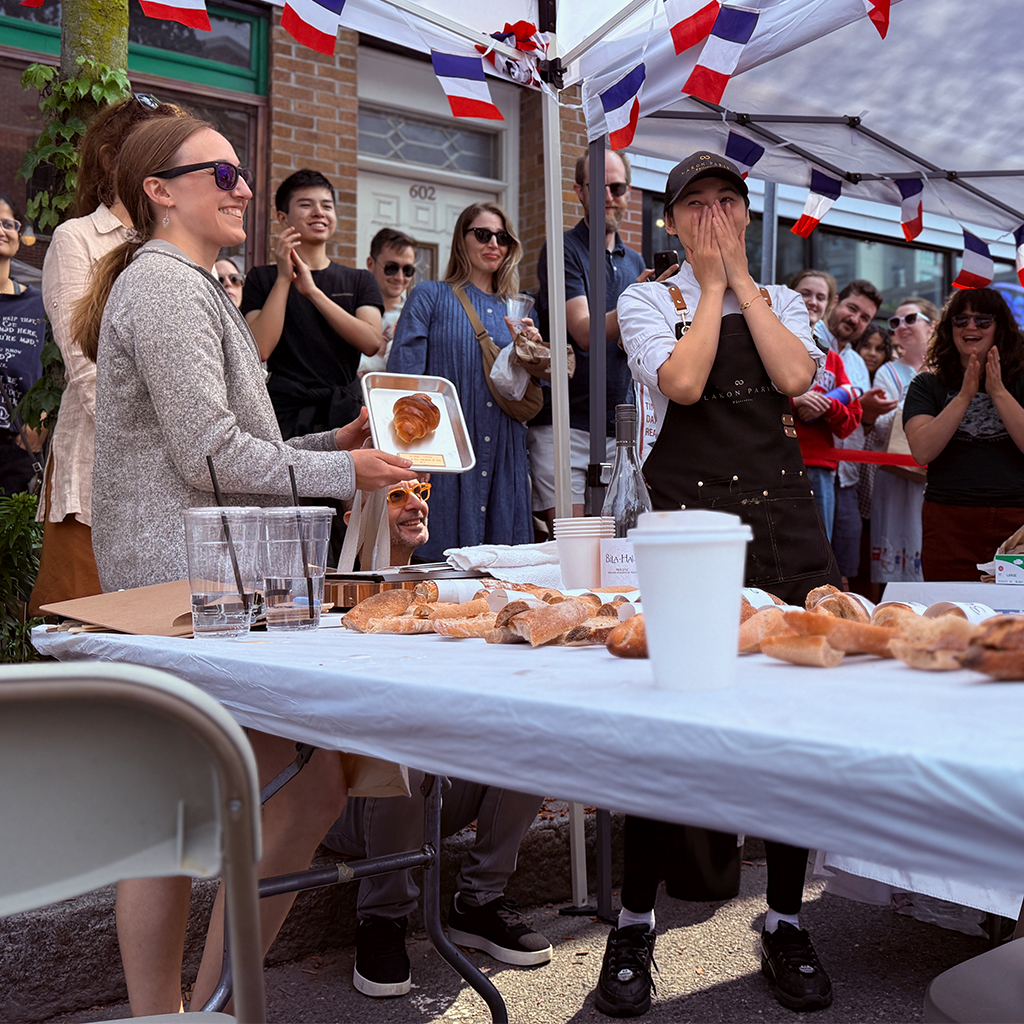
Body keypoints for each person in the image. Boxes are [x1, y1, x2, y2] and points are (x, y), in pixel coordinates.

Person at [78, 114, 413, 1015]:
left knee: (281, 796)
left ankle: (207, 1009)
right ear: (160, 190)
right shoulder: (165, 285)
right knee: (217, 812)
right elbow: (212, 457)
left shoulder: (185, 286)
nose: (242, 187)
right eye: (221, 173)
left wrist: (333, 441)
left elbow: (224, 455)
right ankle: (185, 1014)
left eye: (240, 172)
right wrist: (344, 471)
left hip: (212, 588)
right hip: (184, 596)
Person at [601, 152, 839, 1018]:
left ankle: (785, 919)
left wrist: (741, 283)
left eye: (725, 201)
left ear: (745, 214)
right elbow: (683, 381)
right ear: (669, 222)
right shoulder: (644, 300)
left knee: (792, 731)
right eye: (693, 203)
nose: (710, 215)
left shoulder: (779, 300)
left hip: (785, 527)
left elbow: (796, 379)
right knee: (668, 731)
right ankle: (634, 924)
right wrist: (708, 289)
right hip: (691, 531)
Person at [323, 478, 550, 998]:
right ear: (353, 516)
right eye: (396, 495)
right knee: (407, 750)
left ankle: (478, 902)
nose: (416, 504)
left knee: (532, 735)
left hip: (436, 790)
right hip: (343, 805)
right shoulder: (330, 592)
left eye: (420, 490)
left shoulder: (445, 587)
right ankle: (382, 918)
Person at [387, 202, 537, 560]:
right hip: (444, 448)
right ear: (461, 239)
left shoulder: (517, 308)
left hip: (504, 449)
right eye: (483, 234)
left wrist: (532, 350)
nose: (494, 244)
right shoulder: (430, 296)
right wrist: (410, 458)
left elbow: (532, 393)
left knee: (502, 566)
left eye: (502, 237)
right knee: (435, 563)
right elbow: (403, 380)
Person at [528, 150, 651, 525]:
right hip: (565, 423)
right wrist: (637, 301)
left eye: (618, 187)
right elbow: (583, 332)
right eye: (598, 188)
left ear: (628, 191)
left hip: (620, 425)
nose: (609, 197)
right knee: (573, 541)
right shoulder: (563, 248)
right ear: (579, 191)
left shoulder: (635, 262)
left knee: (617, 543)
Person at [241, 168, 384, 439]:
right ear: (283, 218)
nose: (319, 212)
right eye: (306, 205)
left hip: (345, 413)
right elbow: (260, 348)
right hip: (284, 413)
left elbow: (371, 342)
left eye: (327, 206)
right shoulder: (262, 278)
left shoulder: (359, 280)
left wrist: (313, 292)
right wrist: (284, 278)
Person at [905, 288, 1024, 580]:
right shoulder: (926, 384)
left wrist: (998, 391)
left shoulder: (1021, 380)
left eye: (983, 320)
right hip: (948, 520)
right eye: (961, 320)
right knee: (949, 606)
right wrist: (964, 396)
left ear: (999, 328)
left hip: (1017, 520)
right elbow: (922, 450)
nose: (971, 326)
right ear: (950, 329)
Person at [813, 279, 889, 586]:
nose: (855, 319)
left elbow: (858, 423)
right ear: (835, 303)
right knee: (813, 560)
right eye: (852, 308)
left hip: (846, 476)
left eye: (865, 317)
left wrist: (868, 413)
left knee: (843, 566)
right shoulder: (806, 338)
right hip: (809, 466)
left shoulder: (856, 362)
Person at [865, 299, 936, 586]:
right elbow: (882, 427)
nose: (901, 326)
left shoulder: (948, 370)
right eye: (895, 322)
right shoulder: (888, 372)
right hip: (895, 474)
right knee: (895, 536)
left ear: (931, 326)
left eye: (910, 319)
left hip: (934, 475)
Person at [789, 270, 862, 539]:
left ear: (830, 304)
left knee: (820, 548)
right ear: (788, 296)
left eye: (820, 297)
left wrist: (828, 407)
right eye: (805, 294)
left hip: (820, 466)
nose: (812, 302)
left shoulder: (833, 359)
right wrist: (795, 401)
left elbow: (851, 420)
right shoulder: (768, 347)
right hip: (777, 460)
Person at [0, 195, 46, 495]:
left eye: (8, 224)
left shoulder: (39, 304)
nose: (2, 230)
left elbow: (59, 371)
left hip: (16, 447)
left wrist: (41, 422)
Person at [360, 227, 417, 377]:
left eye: (407, 270)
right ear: (371, 264)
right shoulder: (348, 310)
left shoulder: (417, 317)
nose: (399, 277)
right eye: (391, 268)